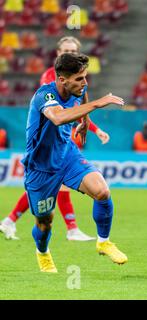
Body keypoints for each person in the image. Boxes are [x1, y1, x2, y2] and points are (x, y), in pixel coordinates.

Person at [20, 53, 127, 272]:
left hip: (68, 154)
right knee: (44, 222)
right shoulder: (44, 96)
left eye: (85, 77)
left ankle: (103, 242)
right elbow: (58, 118)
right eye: (79, 79)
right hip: (41, 167)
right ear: (62, 80)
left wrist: (85, 122)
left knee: (102, 192)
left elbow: (83, 97)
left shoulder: (79, 89)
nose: (84, 83)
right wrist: (98, 104)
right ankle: (43, 252)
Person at [0, 36, 110, 241]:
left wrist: (89, 124)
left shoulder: (79, 79)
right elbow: (58, 111)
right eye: (65, 51)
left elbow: (80, 103)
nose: (69, 54)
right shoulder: (51, 80)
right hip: (45, 143)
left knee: (63, 185)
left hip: (63, 142)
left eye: (73, 51)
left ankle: (69, 228)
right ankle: (17, 221)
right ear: (58, 53)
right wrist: (91, 113)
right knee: (47, 195)